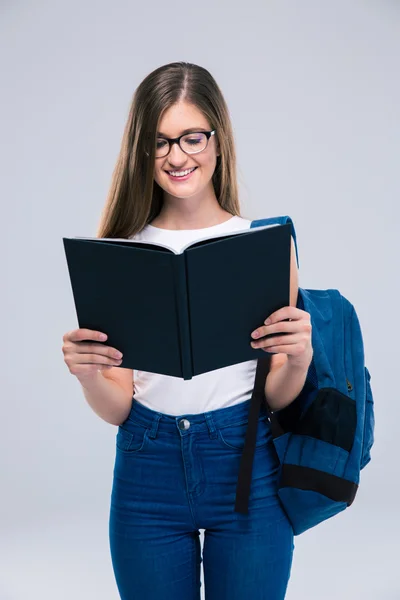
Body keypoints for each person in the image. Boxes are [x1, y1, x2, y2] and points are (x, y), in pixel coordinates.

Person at [62, 61, 313, 600]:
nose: (177, 156)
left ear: (218, 141)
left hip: (246, 464)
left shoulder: (265, 245)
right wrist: (87, 376)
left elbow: (273, 396)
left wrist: (297, 359)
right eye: (159, 142)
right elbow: (119, 406)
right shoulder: (121, 254)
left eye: (192, 137)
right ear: (140, 151)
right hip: (146, 466)